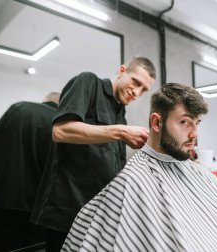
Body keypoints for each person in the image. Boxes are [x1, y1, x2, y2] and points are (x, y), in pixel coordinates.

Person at [62, 83, 217, 252]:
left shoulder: (193, 170)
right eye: (185, 122)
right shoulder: (135, 180)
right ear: (156, 122)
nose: (195, 133)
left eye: (197, 123)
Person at [31, 57, 156, 252]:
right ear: (122, 71)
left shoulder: (120, 113)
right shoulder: (89, 82)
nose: (137, 92)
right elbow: (61, 131)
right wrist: (122, 132)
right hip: (67, 213)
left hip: (97, 217)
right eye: (136, 82)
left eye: (144, 90)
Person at [0, 92, 60, 252]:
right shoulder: (60, 124)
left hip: (1, 199)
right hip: (36, 209)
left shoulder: (18, 108)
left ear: (45, 100)